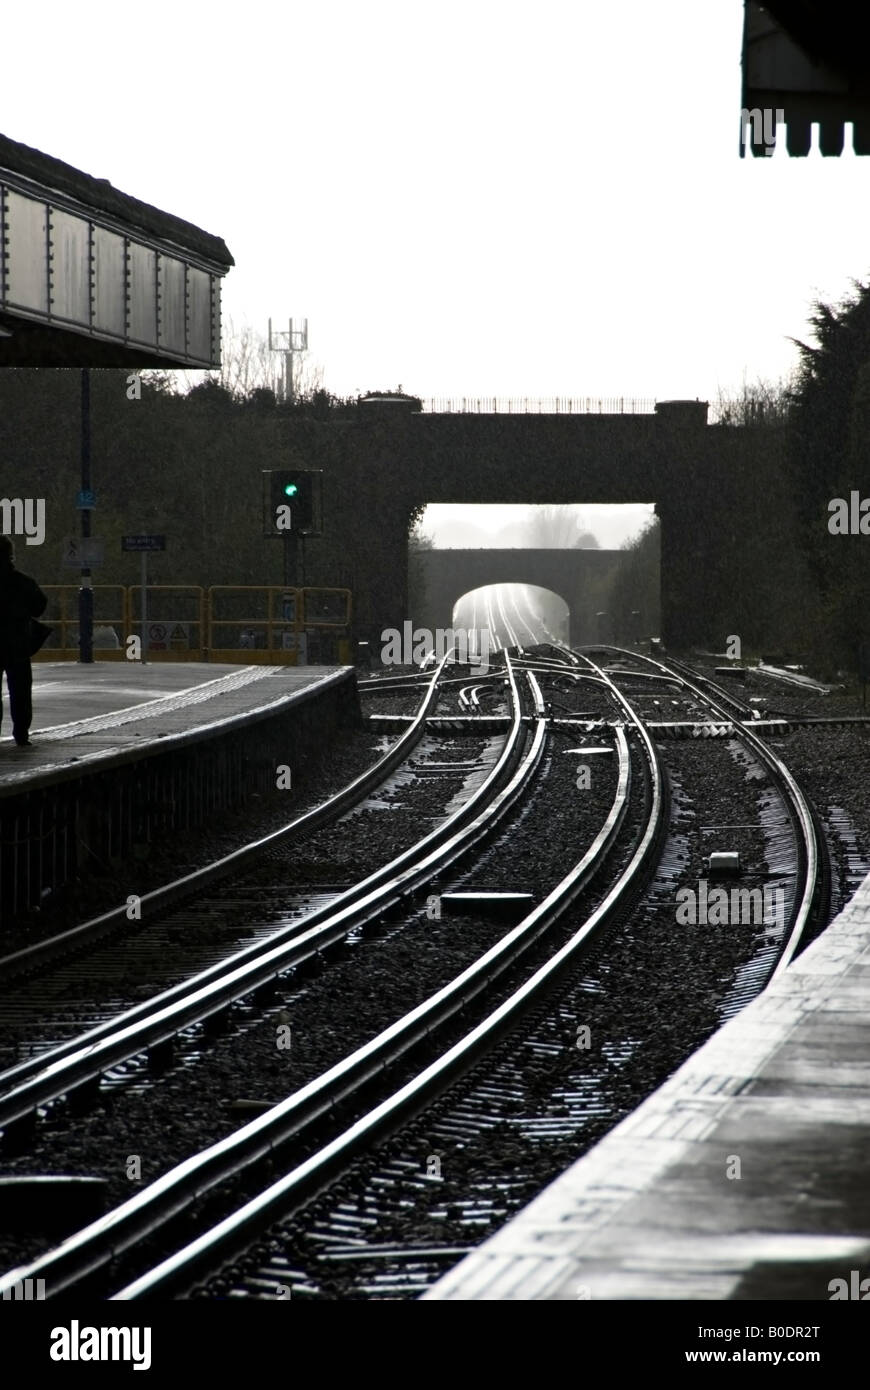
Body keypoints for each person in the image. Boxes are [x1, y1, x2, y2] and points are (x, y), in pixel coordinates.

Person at [0, 535, 48, 746]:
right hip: (17, 642)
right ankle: (21, 733)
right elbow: (39, 606)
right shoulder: (23, 582)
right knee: (20, 690)